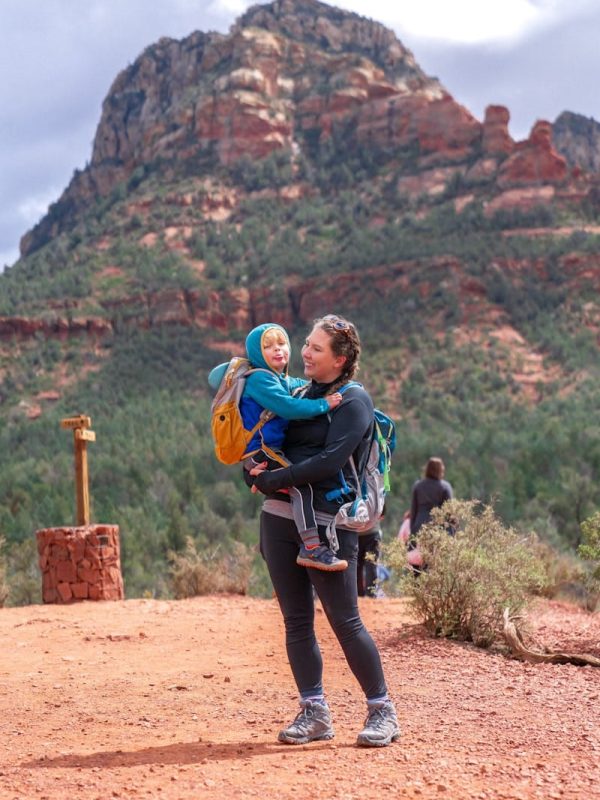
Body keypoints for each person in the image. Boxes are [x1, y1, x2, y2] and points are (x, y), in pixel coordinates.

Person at [249, 313, 400, 748]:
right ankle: (314, 712)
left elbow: (332, 461)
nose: (305, 352)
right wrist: (253, 470)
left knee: (346, 621)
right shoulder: (293, 393)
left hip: (329, 525)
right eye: (307, 344)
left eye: (316, 347)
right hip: (278, 519)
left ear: (341, 358)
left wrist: (273, 480)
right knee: (296, 620)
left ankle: (382, 711)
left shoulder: (354, 401)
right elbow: (263, 442)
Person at [209, 322, 347, 571]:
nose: (278, 350)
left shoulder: (275, 377)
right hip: (262, 452)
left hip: (266, 451)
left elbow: (295, 385)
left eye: (282, 343)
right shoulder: (260, 379)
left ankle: (278, 545)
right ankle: (312, 548)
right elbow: (288, 408)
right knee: (300, 488)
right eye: (268, 346)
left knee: (288, 490)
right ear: (256, 352)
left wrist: (317, 386)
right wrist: (324, 404)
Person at [408, 457, 453, 565]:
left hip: (419, 527)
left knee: (416, 567)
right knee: (435, 566)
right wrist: (451, 535)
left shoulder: (418, 486)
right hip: (438, 530)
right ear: (441, 470)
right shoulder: (445, 487)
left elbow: (413, 511)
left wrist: (412, 533)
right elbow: (450, 513)